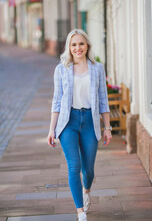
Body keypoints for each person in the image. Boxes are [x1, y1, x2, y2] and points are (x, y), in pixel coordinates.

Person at [47, 29, 112, 221]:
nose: (77, 48)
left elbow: (103, 99)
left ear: (87, 46)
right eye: (73, 44)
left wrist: (107, 127)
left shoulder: (97, 68)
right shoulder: (61, 69)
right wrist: (52, 129)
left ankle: (87, 189)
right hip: (69, 122)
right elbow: (56, 101)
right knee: (73, 166)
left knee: (88, 170)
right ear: (69, 47)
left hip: (90, 122)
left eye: (81, 44)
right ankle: (80, 211)